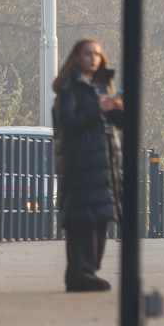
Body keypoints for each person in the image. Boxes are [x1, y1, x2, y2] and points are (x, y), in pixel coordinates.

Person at [52, 39, 124, 292]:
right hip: (81, 164)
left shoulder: (100, 86)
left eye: (97, 54)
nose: (93, 58)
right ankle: (79, 273)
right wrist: (99, 107)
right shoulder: (70, 89)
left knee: (99, 220)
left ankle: (89, 271)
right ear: (76, 57)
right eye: (87, 54)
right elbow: (68, 122)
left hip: (102, 166)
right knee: (82, 221)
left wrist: (116, 109)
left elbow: (114, 125)